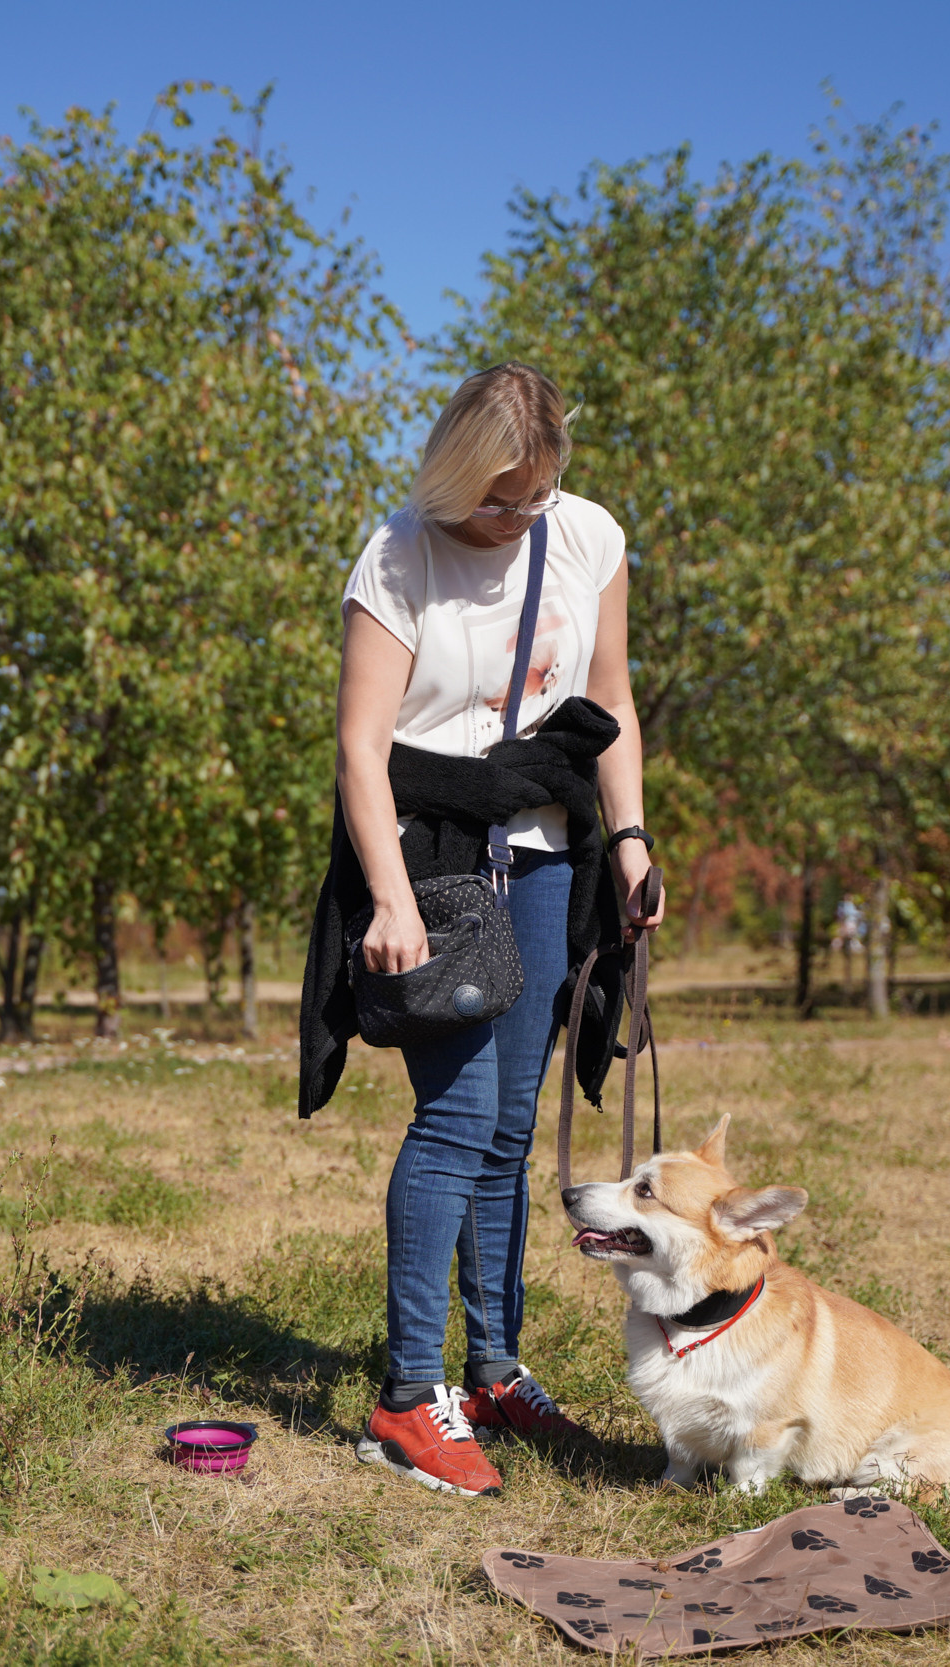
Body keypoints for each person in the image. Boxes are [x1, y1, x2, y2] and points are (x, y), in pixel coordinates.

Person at [326, 362, 663, 1498]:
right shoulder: (398, 554)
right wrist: (388, 898)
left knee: (511, 1128)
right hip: (425, 854)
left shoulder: (586, 538)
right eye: (494, 498)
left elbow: (608, 702)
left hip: (546, 857)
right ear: (452, 470)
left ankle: (495, 1369)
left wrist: (628, 840)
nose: (513, 520)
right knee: (458, 1116)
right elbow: (361, 747)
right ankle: (407, 1397)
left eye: (532, 497)